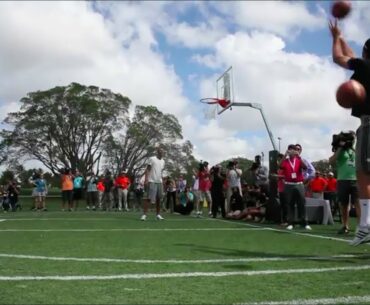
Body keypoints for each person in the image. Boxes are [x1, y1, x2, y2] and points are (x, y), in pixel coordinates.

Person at [329, 19, 370, 245]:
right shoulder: (364, 66)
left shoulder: (364, 66)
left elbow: (339, 58)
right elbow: (354, 55)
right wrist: (342, 37)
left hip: (369, 125)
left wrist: (335, 38)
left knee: (364, 176)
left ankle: (365, 226)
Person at [329, 132, 359, 235]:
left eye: (353, 139)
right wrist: (341, 147)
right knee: (344, 205)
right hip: (342, 180)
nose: (352, 141)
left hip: (356, 180)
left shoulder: (356, 150)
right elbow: (331, 161)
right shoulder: (341, 151)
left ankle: (361, 227)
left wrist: (352, 147)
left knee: (358, 204)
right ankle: (345, 226)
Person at [279, 144, 311, 230]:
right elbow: (280, 165)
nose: (291, 152)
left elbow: (305, 168)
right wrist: (285, 154)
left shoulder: (299, 160)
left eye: (292, 150)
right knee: (290, 204)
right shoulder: (286, 161)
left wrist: (298, 156)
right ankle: (291, 223)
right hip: (288, 185)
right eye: (289, 150)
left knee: (302, 204)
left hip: (299, 184)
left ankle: (304, 223)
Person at [141, 146, 165, 221]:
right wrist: (146, 180)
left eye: (163, 152)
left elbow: (161, 172)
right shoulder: (152, 159)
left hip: (159, 182)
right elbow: (147, 169)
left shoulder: (163, 161)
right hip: (152, 181)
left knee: (159, 199)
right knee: (149, 198)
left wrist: (162, 181)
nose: (162, 153)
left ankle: (158, 215)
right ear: (157, 152)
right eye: (160, 152)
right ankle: (144, 215)